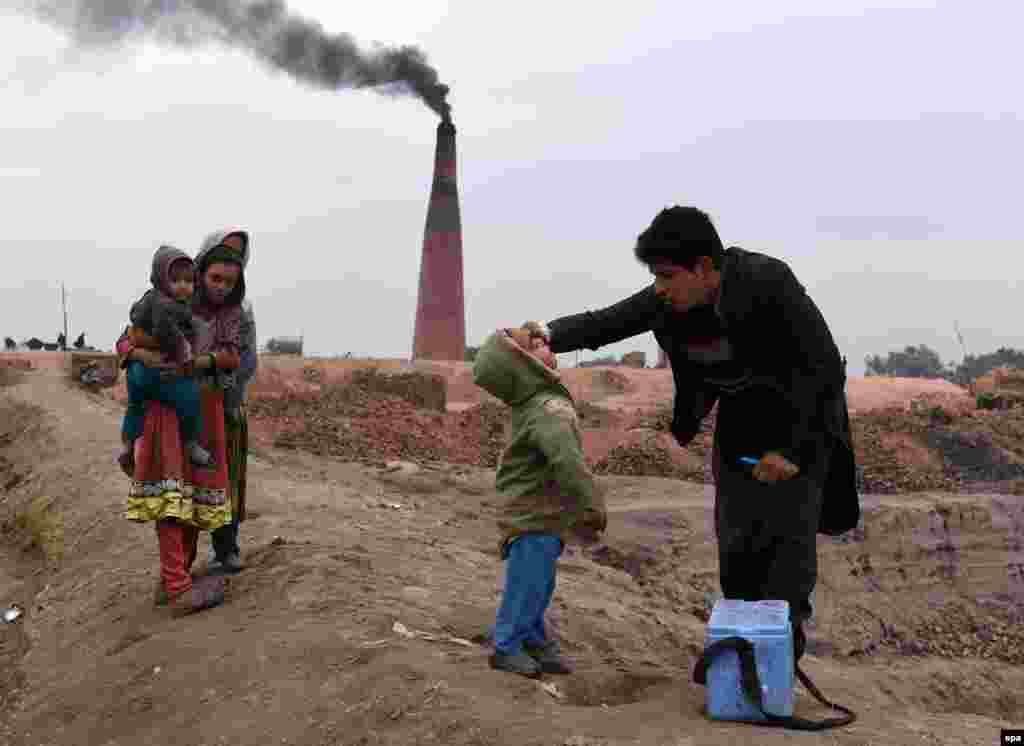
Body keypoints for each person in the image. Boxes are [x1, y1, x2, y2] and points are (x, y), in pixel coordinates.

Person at [542, 206, 859, 662]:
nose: (659, 289)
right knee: (737, 550)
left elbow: (824, 371)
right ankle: (740, 664)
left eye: (668, 277)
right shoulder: (669, 299)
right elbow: (604, 323)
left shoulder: (769, 283)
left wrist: (791, 452)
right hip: (740, 426)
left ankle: (776, 673)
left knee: (786, 559)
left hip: (800, 425)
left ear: (705, 267)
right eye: (655, 277)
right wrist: (543, 333)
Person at [472, 321, 608, 678]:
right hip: (536, 515)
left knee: (539, 581)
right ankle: (506, 647)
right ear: (523, 363)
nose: (550, 347)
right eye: (538, 345)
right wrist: (590, 506)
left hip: (535, 512)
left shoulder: (530, 404)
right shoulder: (549, 410)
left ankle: (535, 640)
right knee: (528, 583)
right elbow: (568, 463)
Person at [192, 230, 258, 576]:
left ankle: (226, 548)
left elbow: (247, 361)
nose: (221, 283)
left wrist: (225, 387)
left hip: (227, 407)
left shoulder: (241, 311)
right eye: (222, 254)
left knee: (228, 478)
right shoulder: (183, 304)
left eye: (238, 256)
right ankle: (179, 563)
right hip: (188, 408)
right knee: (186, 480)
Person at [118, 245, 212, 476]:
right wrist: (184, 356)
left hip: (139, 372)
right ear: (161, 278)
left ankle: (128, 448)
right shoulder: (165, 304)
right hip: (156, 375)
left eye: (189, 281)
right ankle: (191, 443)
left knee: (134, 406)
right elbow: (161, 335)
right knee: (190, 396)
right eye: (176, 280)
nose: (183, 286)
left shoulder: (155, 301)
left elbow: (132, 333)